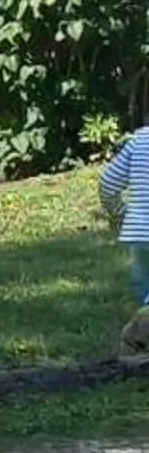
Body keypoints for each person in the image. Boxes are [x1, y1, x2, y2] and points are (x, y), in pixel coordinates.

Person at [102, 120, 149, 342]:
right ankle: (140, 325)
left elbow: (108, 183)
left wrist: (120, 213)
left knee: (146, 290)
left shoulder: (138, 142)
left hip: (140, 233)